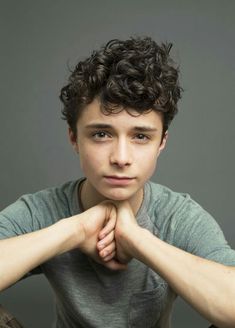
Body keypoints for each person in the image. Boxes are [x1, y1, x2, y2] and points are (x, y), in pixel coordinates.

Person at [0, 36, 234, 328]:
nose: (121, 158)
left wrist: (138, 241)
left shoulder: (178, 216)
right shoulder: (42, 210)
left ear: (161, 143)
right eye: (101, 134)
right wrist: (74, 230)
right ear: (74, 138)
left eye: (140, 136)